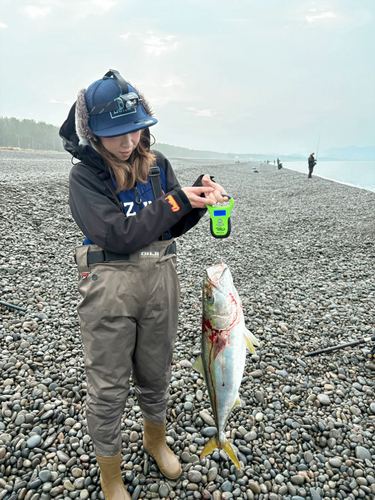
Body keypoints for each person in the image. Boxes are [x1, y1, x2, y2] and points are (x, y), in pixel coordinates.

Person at [59, 69, 227, 500]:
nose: (128, 141)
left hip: (160, 279)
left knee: (156, 372)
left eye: (134, 128)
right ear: (91, 132)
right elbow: (117, 234)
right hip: (108, 287)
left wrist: (198, 201)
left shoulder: (157, 165)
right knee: (109, 384)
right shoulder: (86, 178)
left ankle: (155, 439)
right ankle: (109, 472)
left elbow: (170, 225)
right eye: (116, 133)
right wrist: (176, 200)